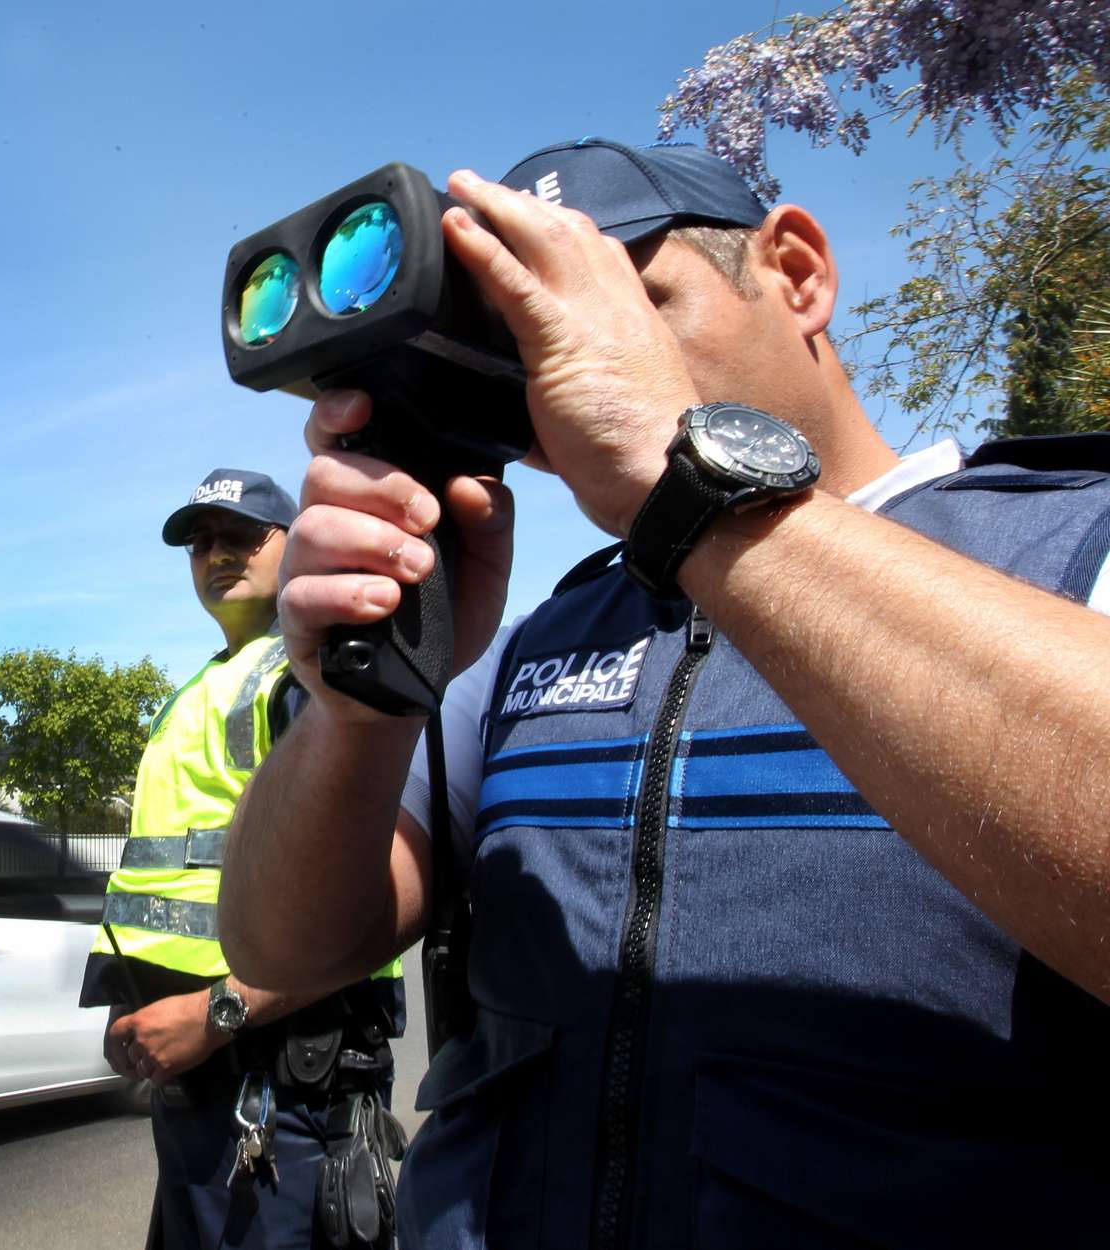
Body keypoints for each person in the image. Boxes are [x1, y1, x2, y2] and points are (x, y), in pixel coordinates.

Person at [217, 138, 1110, 1248]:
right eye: (524, 341)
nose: (565, 374)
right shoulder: (539, 633)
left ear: (794, 272)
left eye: (627, 308)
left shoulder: (1068, 541)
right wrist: (360, 706)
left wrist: (689, 489)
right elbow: (282, 947)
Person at [83, 468, 416, 1249]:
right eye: (199, 542)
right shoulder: (201, 685)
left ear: (293, 544)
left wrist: (214, 1015)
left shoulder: (314, 674)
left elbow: (360, 902)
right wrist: (126, 1011)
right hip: (198, 1071)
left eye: (239, 534)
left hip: (276, 1072)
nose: (215, 553)